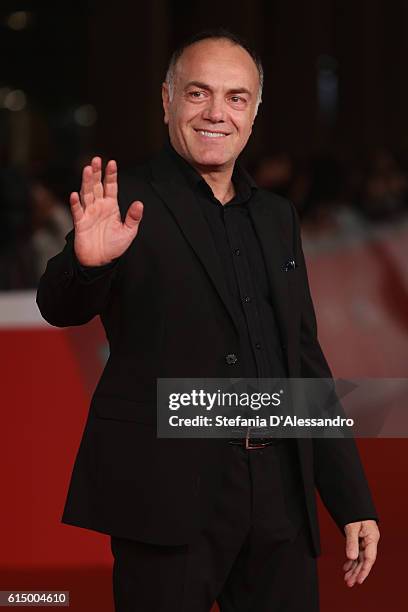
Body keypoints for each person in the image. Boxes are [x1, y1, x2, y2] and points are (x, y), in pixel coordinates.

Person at [36, 29, 380, 612]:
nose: (217, 113)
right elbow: (60, 306)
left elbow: (305, 364)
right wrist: (85, 264)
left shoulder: (276, 217)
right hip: (165, 497)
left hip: (279, 504)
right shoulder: (127, 202)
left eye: (236, 97)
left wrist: (352, 500)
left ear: (254, 111)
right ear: (167, 99)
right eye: (198, 94)